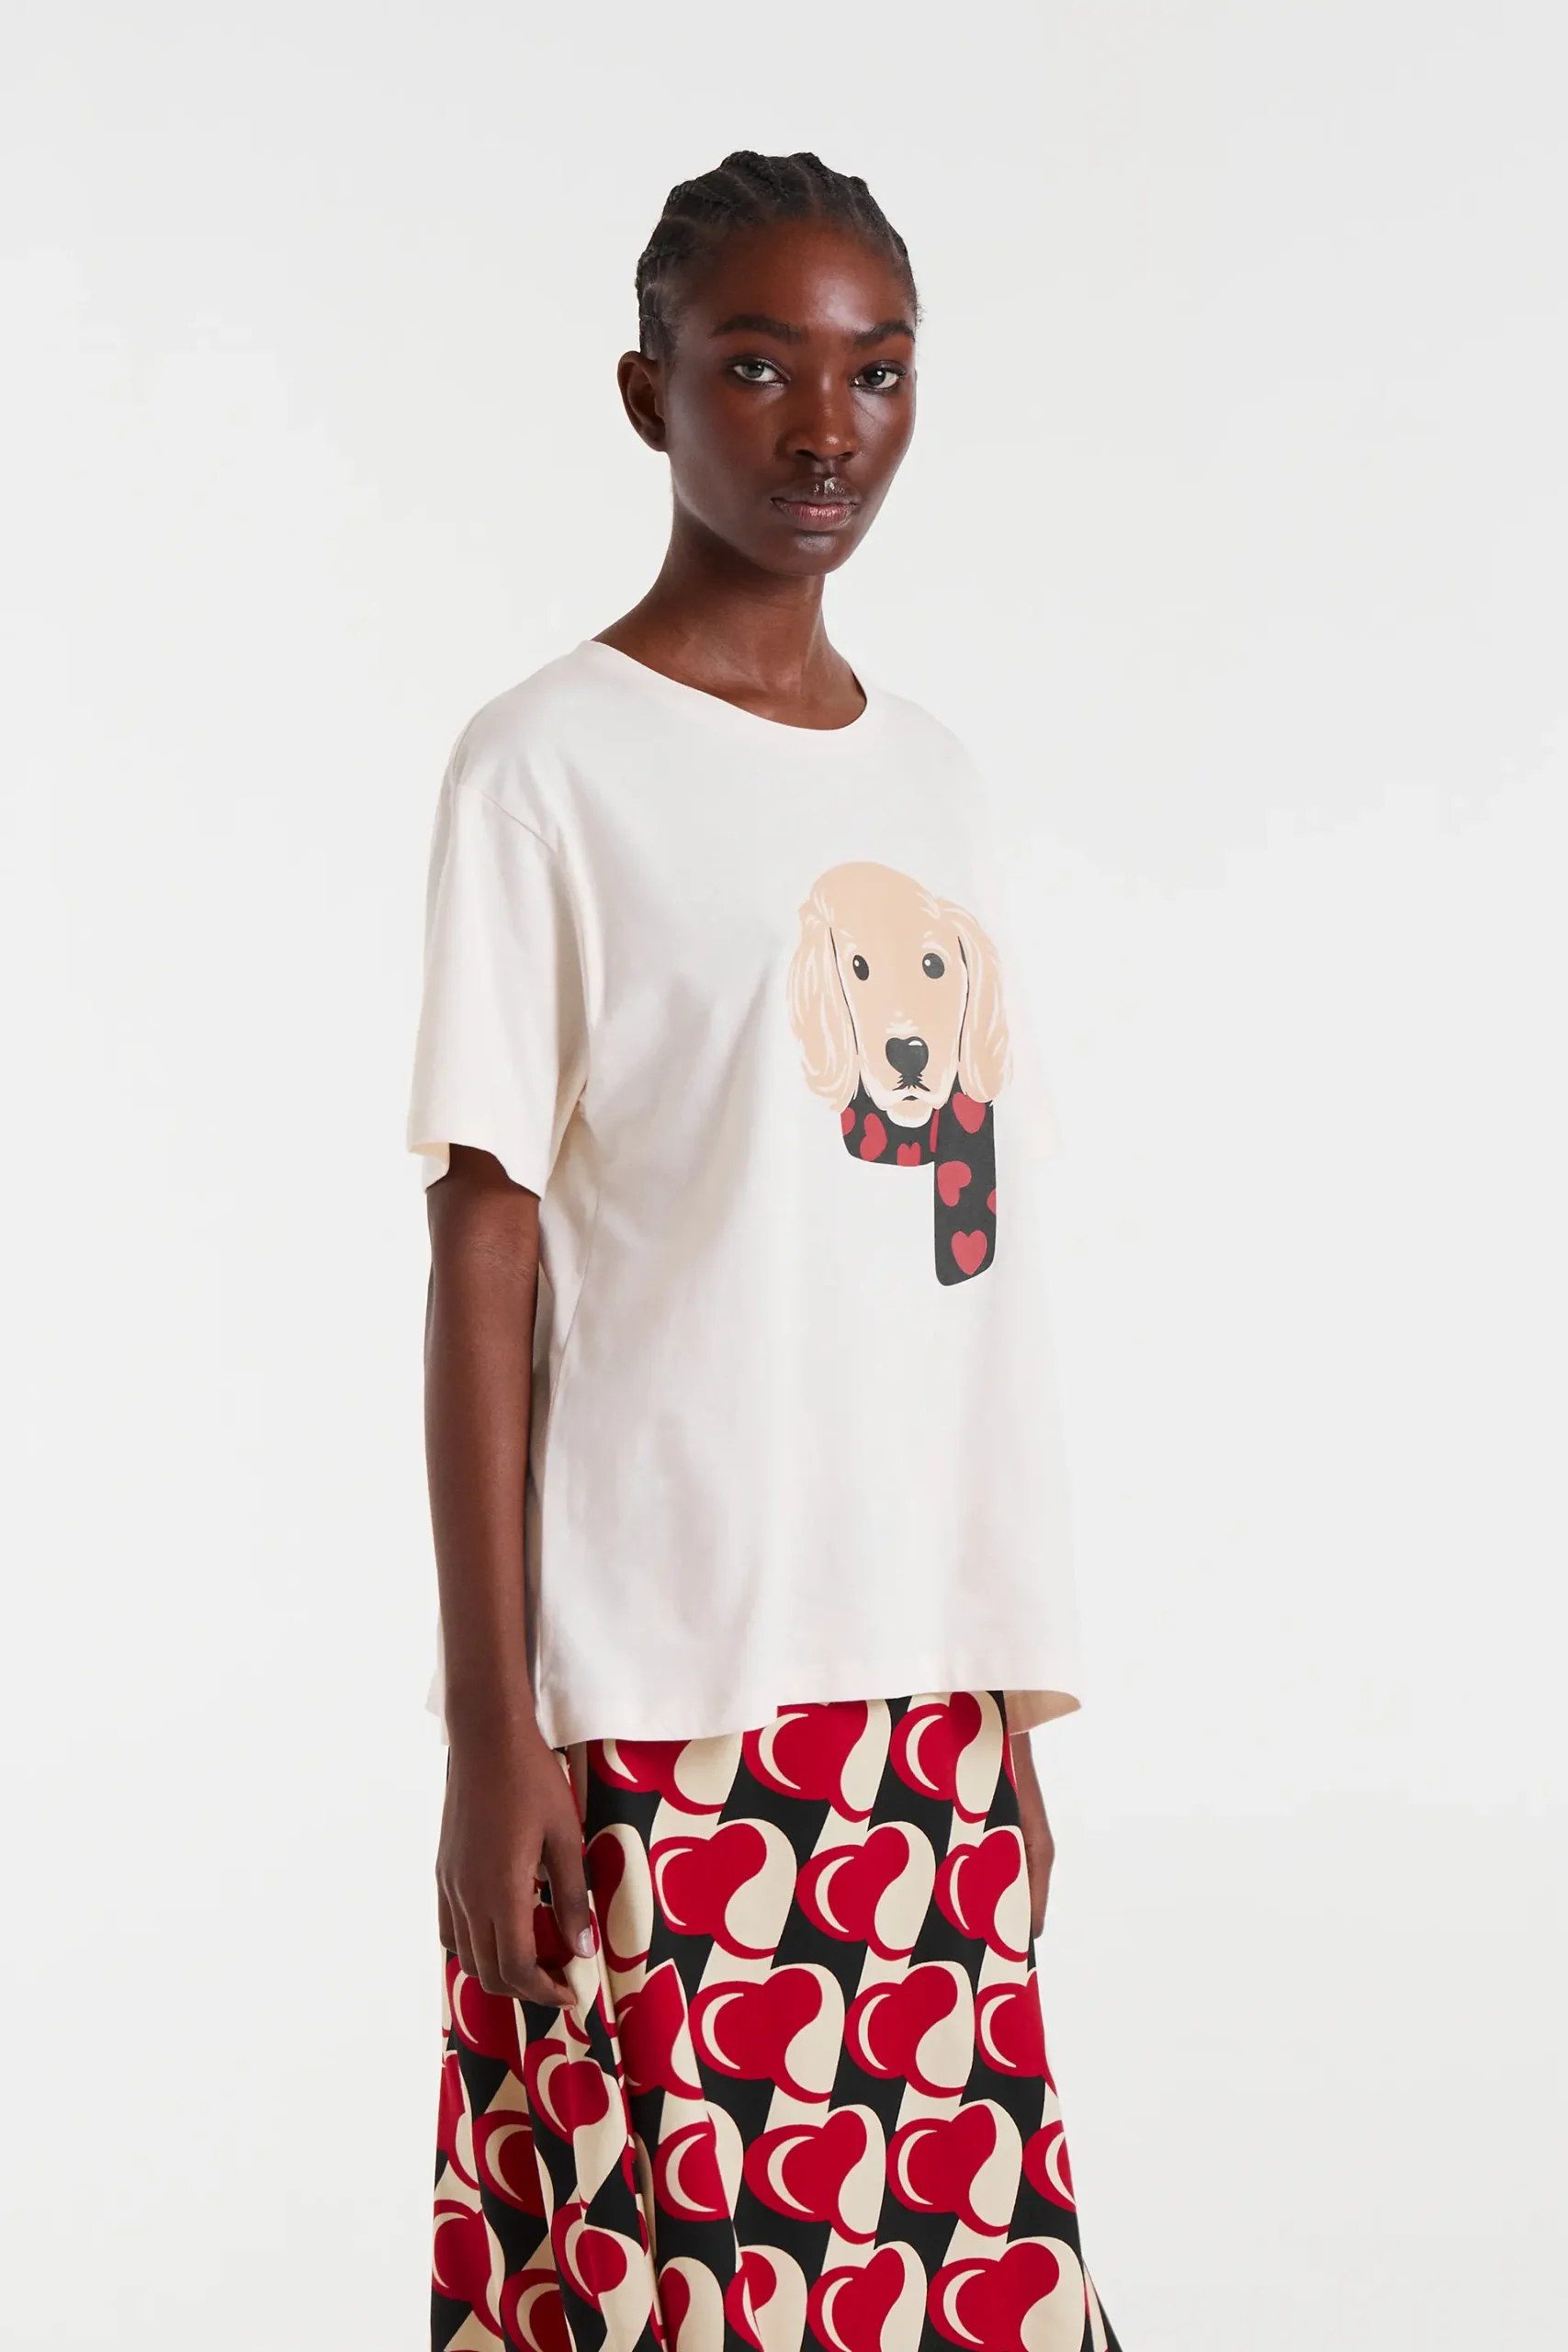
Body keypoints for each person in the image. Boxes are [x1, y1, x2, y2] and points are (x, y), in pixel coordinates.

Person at [408, 150, 1122, 2352]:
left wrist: (997, 1676)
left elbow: (954, 1268)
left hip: (914, 1690)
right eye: (755, 368)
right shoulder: (545, 768)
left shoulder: (939, 782)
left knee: (956, 2286)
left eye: (875, 372)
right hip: (659, 1691)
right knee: (666, 2283)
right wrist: (492, 1725)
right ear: (647, 394)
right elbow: (485, 1249)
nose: (826, 430)